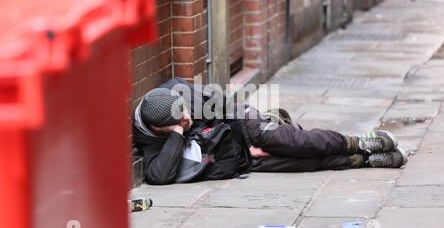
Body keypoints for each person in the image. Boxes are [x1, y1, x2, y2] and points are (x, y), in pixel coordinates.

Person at [132, 77, 408, 185]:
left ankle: (357, 142)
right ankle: (364, 160)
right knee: (299, 163)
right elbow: (159, 176)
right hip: (238, 157)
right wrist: (179, 133)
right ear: (161, 129)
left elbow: (227, 108)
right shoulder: (151, 137)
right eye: (179, 121)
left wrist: (246, 144)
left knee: (297, 143)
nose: (187, 117)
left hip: (246, 127)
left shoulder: (175, 92)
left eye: (184, 111)